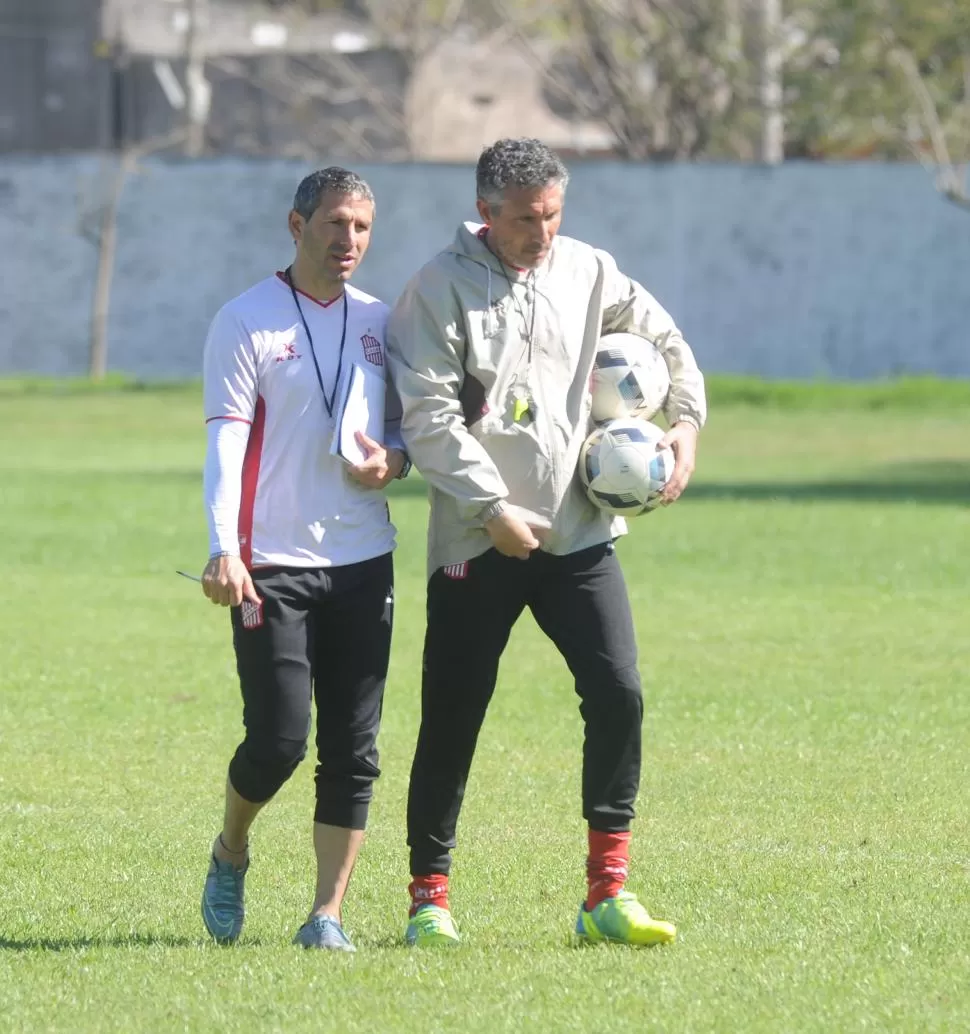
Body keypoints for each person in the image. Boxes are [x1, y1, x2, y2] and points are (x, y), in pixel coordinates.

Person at [386, 137, 707, 948]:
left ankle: (606, 895)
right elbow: (427, 418)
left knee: (620, 695)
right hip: (477, 538)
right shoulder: (436, 288)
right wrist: (491, 505)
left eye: (553, 214)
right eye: (526, 218)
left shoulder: (588, 270)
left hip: (578, 534)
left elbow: (665, 340)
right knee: (453, 718)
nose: (543, 232)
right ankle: (429, 900)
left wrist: (688, 426)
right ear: (486, 212)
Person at [199, 166, 409, 952]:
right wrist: (225, 547)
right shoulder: (246, 320)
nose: (348, 239)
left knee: (354, 748)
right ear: (297, 226)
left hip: (364, 558)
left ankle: (326, 915)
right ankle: (232, 848)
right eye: (334, 224)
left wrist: (392, 461)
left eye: (360, 226)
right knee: (280, 740)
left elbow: (405, 434)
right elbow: (224, 442)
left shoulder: (383, 321)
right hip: (270, 563)